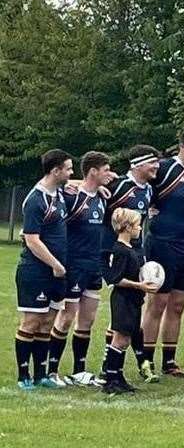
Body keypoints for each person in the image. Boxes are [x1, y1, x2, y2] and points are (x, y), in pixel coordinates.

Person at [142, 129, 184, 378]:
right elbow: (136, 185)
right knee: (157, 302)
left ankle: (169, 361)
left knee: (178, 305)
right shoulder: (164, 168)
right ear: (182, 146)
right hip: (163, 243)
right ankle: (146, 359)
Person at [50, 151, 112, 386]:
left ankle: (79, 370)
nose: (110, 174)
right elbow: (47, 185)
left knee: (88, 320)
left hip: (94, 265)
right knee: (66, 317)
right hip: (73, 265)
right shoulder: (71, 196)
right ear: (93, 171)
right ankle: (52, 370)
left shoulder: (103, 197)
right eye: (106, 170)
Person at [14, 149, 74, 390]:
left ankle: (41, 375)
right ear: (55, 170)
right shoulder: (36, 200)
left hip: (57, 273)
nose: (72, 173)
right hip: (36, 271)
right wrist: (56, 265)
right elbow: (32, 239)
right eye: (68, 169)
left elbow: (77, 184)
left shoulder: (58, 192)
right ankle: (23, 376)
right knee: (31, 321)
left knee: (48, 321)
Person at [99, 145, 159, 380]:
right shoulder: (118, 186)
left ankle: (137, 364)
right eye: (152, 162)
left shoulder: (148, 191)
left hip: (136, 253)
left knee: (133, 312)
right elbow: (88, 189)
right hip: (116, 254)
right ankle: (111, 369)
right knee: (122, 314)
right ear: (138, 165)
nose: (157, 167)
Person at [100, 208, 157, 394]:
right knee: (119, 338)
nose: (140, 228)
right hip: (123, 300)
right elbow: (117, 279)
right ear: (126, 227)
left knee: (126, 340)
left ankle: (119, 376)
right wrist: (140, 286)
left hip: (133, 300)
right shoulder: (120, 250)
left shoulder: (131, 248)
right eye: (137, 225)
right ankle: (110, 379)